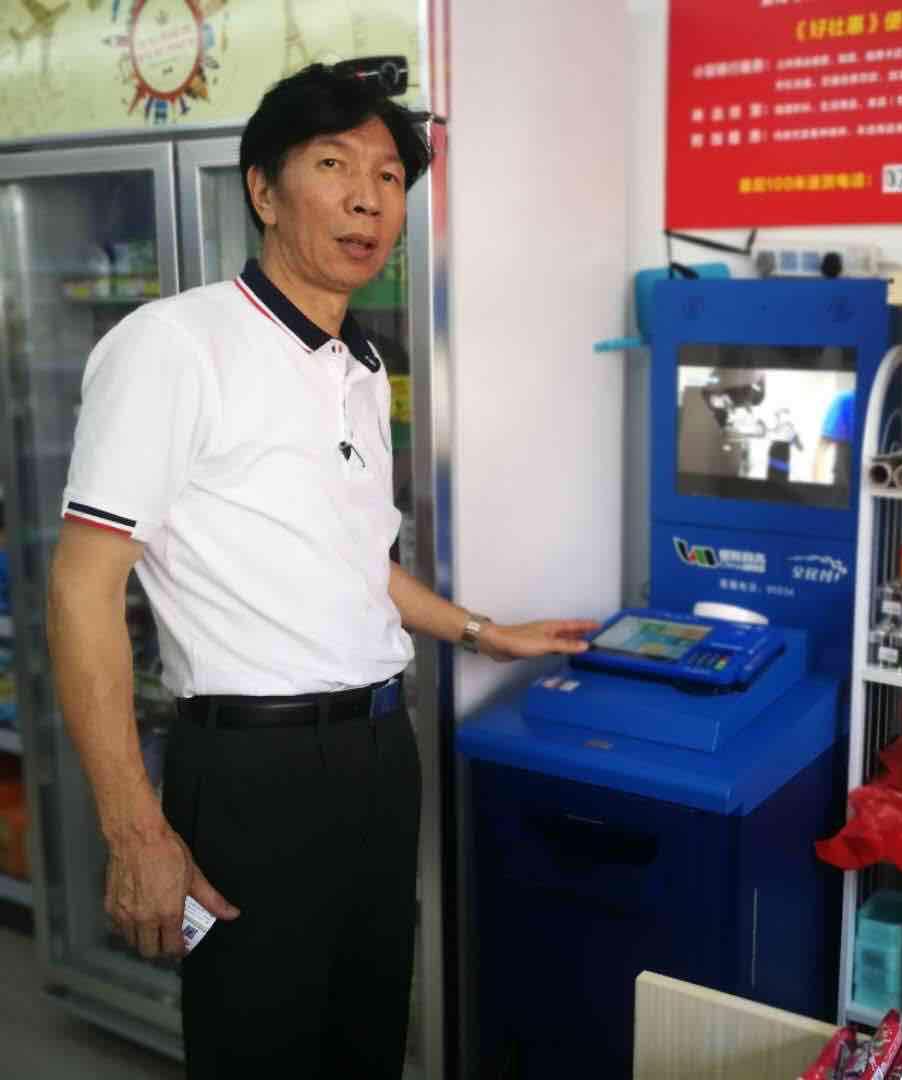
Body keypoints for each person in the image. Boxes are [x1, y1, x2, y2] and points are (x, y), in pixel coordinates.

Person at [46, 64, 596, 1078]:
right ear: (264, 190)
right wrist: (135, 829)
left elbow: (357, 560)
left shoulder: (361, 367)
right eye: (334, 166)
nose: (367, 200)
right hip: (252, 774)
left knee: (365, 1035)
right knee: (259, 1046)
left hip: (380, 753)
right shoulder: (174, 346)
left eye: (388, 177)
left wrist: (483, 632)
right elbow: (82, 588)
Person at [811, 387, 856, 484]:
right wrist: (816, 487)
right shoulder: (846, 400)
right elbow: (822, 449)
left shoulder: (845, 399)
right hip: (844, 484)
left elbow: (821, 449)